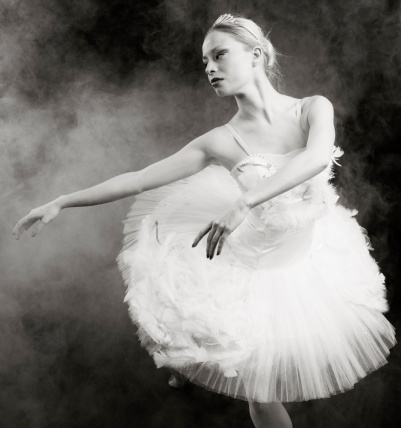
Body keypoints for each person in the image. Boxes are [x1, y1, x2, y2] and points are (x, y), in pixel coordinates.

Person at [13, 13, 396, 428]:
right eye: (204, 62)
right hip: (246, 264)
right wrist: (63, 200)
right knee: (259, 391)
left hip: (305, 258)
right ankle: (186, 355)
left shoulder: (312, 109)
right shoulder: (220, 140)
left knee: (270, 375)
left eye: (219, 55)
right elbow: (140, 179)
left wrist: (244, 200)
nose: (210, 68)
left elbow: (317, 156)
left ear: (256, 55)